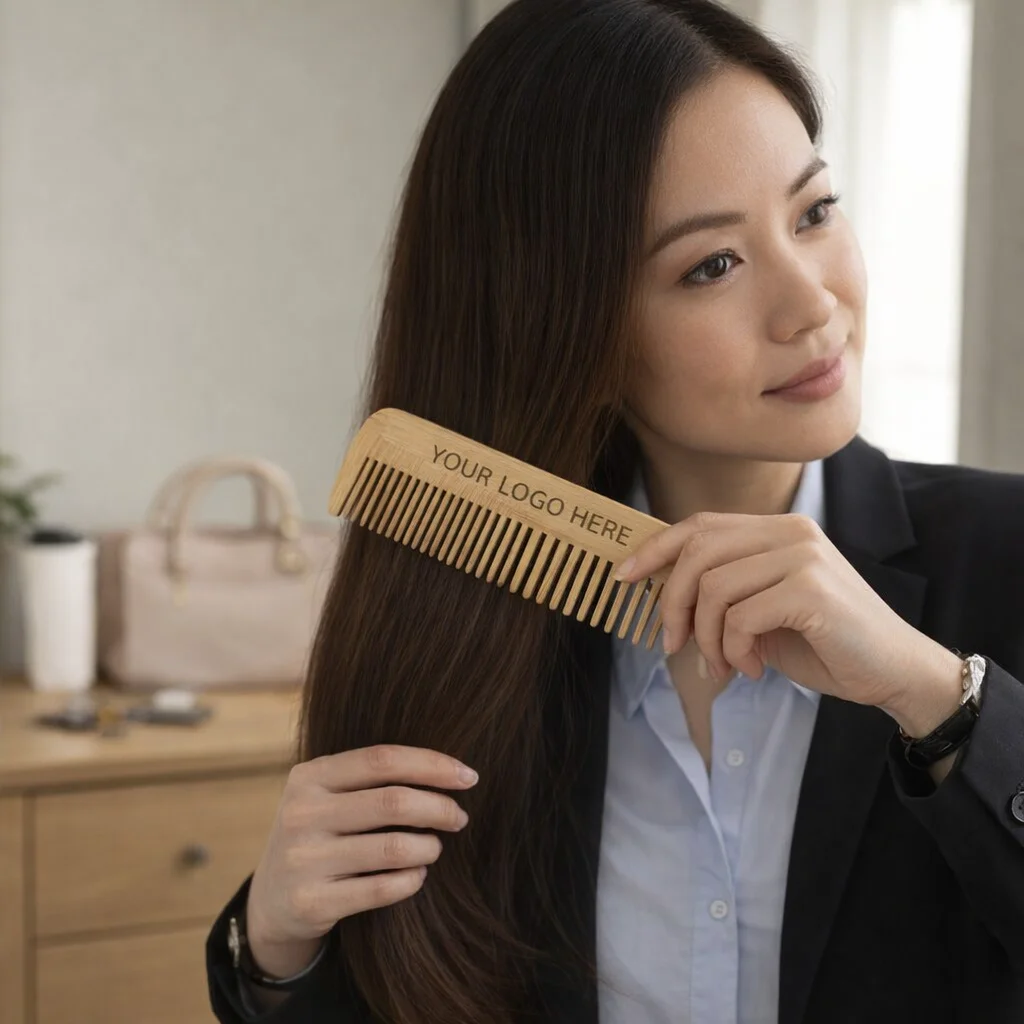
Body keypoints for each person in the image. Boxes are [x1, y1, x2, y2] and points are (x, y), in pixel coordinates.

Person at [205, 1, 1024, 1022]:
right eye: (710, 265)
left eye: (813, 211)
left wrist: (934, 698)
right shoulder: (473, 627)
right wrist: (273, 951)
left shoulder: (1004, 561)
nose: (812, 303)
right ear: (564, 324)